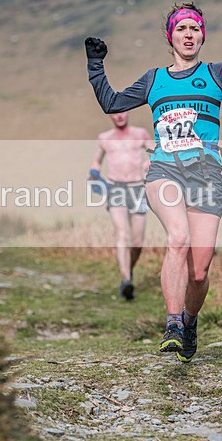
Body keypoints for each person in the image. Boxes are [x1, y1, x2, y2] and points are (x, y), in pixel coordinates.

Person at [85, 2, 222, 362]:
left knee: (199, 270)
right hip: (165, 169)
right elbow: (112, 103)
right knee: (178, 238)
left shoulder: (216, 73)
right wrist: (95, 65)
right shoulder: (153, 80)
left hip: (206, 174)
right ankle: (172, 324)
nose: (188, 35)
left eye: (194, 29)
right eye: (181, 29)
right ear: (170, 36)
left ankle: (189, 322)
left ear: (202, 36)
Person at [89, 111, 153, 300]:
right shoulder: (104, 138)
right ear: (110, 116)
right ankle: (126, 281)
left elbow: (155, 152)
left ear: (128, 111)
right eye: (114, 114)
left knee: (138, 243)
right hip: (115, 188)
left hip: (138, 188)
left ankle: (128, 269)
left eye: (122, 112)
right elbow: (97, 161)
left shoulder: (140, 133)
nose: (119, 116)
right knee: (122, 234)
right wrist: (93, 173)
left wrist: (150, 162)